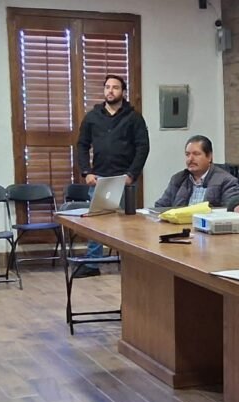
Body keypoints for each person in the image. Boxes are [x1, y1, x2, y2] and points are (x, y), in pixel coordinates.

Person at [76, 74, 150, 278]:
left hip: (124, 179)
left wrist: (132, 174)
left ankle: (130, 263)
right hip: (99, 177)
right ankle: (92, 264)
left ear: (123, 91)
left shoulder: (134, 117)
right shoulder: (92, 117)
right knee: (96, 222)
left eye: (115, 87)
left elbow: (143, 147)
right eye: (107, 87)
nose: (110, 91)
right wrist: (86, 172)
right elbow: (82, 145)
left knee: (128, 223)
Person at [155, 136, 239, 208]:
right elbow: (160, 207)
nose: (190, 159)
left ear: (209, 157)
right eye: (187, 154)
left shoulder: (227, 181)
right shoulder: (178, 179)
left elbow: (231, 212)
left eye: (196, 154)